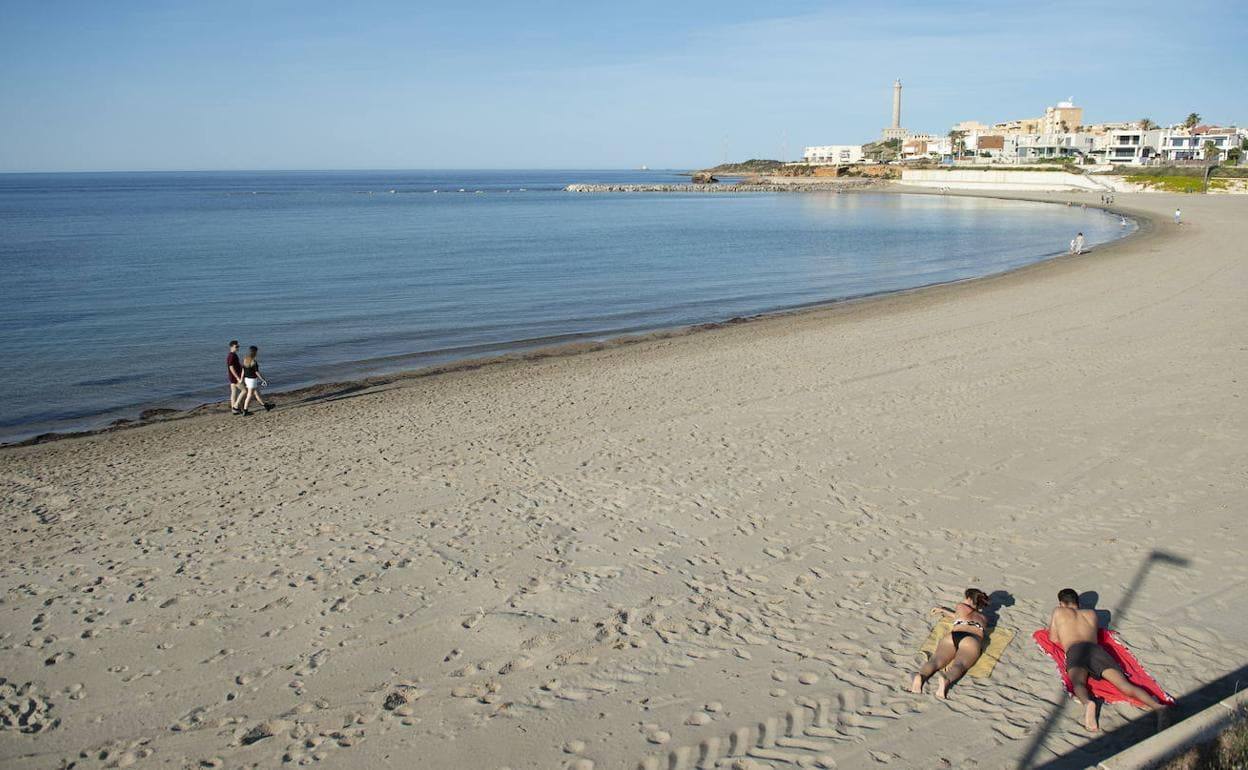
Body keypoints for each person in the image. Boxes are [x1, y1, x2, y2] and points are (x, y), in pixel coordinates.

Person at [1048, 589, 1166, 731]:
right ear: (1077, 603)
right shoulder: (1091, 614)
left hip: (1076, 651)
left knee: (1078, 683)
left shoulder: (1058, 611)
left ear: (1061, 603)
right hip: (1096, 650)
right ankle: (1158, 707)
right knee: (1124, 684)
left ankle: (1088, 703)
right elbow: (1095, 636)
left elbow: (1053, 638)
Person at [911, 588, 990, 699]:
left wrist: (942, 610)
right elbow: (962, 616)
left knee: (935, 660)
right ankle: (946, 679)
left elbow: (958, 615)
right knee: (960, 665)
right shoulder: (983, 618)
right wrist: (943, 610)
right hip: (971, 640)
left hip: (953, 636)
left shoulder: (961, 607)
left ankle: (921, 676)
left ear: (968, 598)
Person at [235, 345, 273, 416]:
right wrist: (263, 379)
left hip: (247, 379)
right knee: (249, 395)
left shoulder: (245, 359)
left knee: (257, 393)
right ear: (255, 352)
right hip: (252, 380)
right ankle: (245, 411)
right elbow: (256, 372)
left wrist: (241, 379)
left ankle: (266, 406)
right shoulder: (254, 362)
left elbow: (243, 370)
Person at [226, 340, 245, 416]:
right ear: (231, 347)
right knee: (244, 391)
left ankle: (234, 410)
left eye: (238, 346)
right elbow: (231, 367)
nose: (238, 348)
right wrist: (237, 377)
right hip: (235, 377)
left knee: (234, 393)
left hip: (232, 377)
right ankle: (236, 407)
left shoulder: (232, 355)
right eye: (236, 347)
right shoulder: (232, 356)